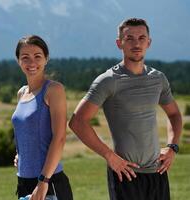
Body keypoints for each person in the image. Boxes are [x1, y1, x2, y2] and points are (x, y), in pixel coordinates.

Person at [69, 18, 182, 200]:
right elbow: (77, 122)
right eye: (129, 38)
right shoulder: (108, 80)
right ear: (119, 43)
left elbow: (175, 114)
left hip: (158, 173)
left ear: (149, 42)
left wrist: (172, 147)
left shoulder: (158, 78)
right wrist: (110, 157)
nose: (136, 43)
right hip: (126, 175)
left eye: (141, 38)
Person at [11, 35, 73, 200]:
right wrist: (21, 154)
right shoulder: (21, 93)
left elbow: (59, 138)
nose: (32, 63)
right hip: (24, 181)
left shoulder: (53, 90)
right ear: (18, 61)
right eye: (25, 57)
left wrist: (43, 181)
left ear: (46, 59)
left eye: (37, 56)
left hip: (48, 182)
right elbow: (25, 131)